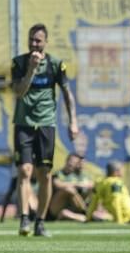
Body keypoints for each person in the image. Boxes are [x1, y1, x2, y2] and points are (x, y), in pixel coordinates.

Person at [11, 23, 79, 237]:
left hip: (46, 125)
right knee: (24, 171)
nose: (34, 44)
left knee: (45, 174)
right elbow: (19, 92)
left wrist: (73, 121)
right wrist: (31, 69)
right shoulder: (19, 63)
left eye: (38, 40)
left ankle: (40, 221)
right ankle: (24, 219)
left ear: (46, 42)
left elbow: (68, 94)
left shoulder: (56, 65)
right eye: (31, 39)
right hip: (24, 124)